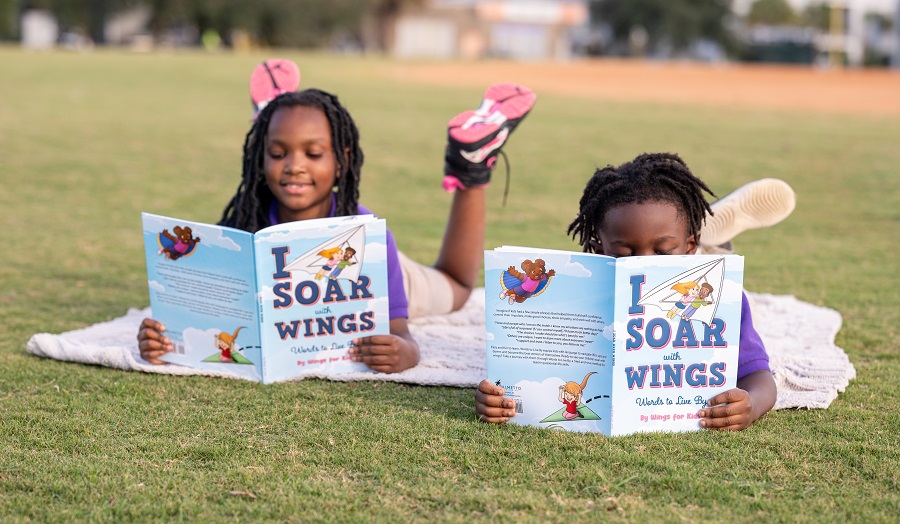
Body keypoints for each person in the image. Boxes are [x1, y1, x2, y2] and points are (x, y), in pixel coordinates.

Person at [137, 65, 537, 374]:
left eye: (313, 154)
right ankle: (279, 117)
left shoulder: (370, 237)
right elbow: (205, 317)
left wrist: (404, 352)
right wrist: (163, 337)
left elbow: (403, 337)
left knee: (458, 287)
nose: (294, 166)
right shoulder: (245, 224)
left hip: (379, 269)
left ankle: (469, 164)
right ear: (261, 159)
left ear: (342, 160)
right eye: (277, 153)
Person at [475, 152, 778, 431]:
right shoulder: (577, 296)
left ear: (688, 246)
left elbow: (758, 375)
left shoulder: (723, 301)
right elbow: (524, 369)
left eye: (662, 252)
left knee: (701, 275)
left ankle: (710, 248)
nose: (642, 265)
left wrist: (752, 404)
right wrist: (497, 397)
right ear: (599, 250)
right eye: (624, 254)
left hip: (687, 283)